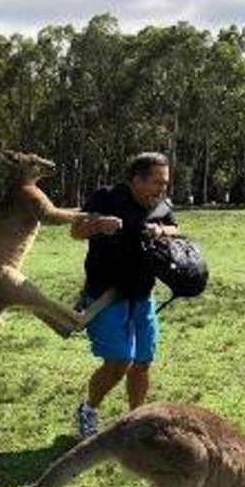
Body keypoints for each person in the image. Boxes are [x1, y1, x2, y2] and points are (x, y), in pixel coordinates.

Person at [70, 152, 178, 437]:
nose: (162, 189)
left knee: (142, 363)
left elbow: (176, 228)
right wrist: (98, 225)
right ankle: (88, 409)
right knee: (119, 362)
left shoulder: (160, 205)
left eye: (165, 183)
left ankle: (136, 422)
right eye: (157, 182)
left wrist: (161, 229)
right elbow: (75, 231)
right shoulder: (106, 197)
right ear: (136, 179)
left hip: (143, 293)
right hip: (106, 294)